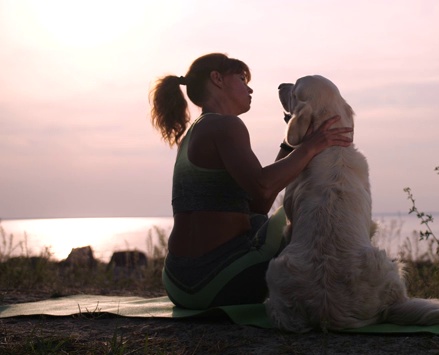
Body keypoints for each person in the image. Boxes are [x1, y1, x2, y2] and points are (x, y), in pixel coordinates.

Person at [149, 53, 352, 309]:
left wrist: (290, 145)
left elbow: (257, 202)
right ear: (217, 79)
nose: (250, 87)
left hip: (178, 283)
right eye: (242, 78)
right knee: (295, 221)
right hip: (214, 283)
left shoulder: (195, 133)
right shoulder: (226, 126)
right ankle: (333, 300)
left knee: (258, 221)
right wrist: (311, 147)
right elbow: (263, 185)